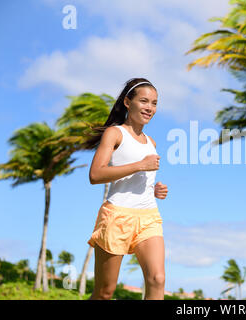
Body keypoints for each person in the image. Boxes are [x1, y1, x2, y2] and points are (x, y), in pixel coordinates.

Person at [85, 78, 168, 300]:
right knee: (104, 292)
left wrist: (154, 190)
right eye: (144, 101)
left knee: (157, 279)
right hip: (117, 217)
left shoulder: (151, 142)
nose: (150, 108)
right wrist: (140, 165)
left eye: (154, 103)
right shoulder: (115, 133)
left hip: (148, 217)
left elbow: (135, 183)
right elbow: (96, 175)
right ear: (128, 102)